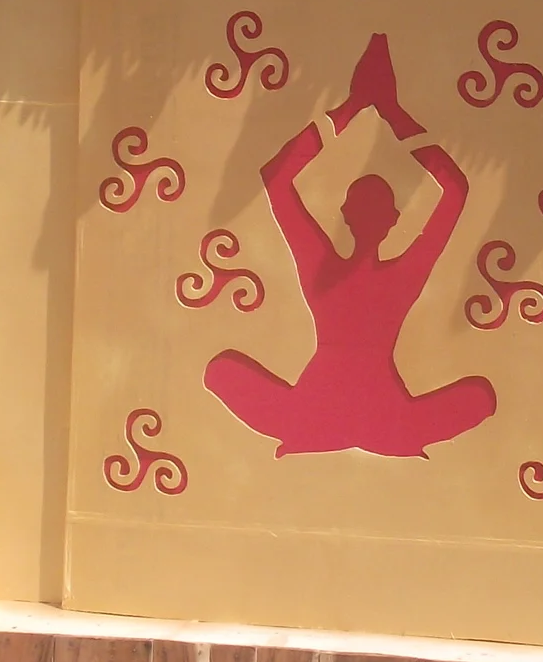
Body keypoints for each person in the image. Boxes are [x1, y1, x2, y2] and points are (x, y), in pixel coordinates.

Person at [204, 34, 497, 457]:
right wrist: (386, 113)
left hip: (338, 414)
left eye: (375, 204)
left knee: (480, 399)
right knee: (219, 372)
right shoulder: (372, 270)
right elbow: (454, 190)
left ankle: (334, 432)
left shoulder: (336, 266)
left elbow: (277, 178)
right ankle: (358, 432)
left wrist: (355, 110)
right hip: (359, 416)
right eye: (366, 203)